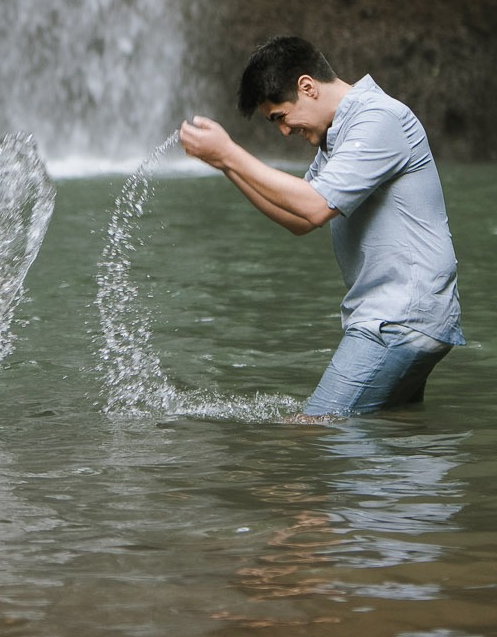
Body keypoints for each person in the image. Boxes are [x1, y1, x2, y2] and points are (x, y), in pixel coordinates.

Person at [178, 36, 463, 419]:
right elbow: (298, 220)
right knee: (393, 437)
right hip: (410, 317)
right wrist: (226, 167)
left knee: (310, 431)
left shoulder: (379, 119)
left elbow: (312, 207)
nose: (283, 131)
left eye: (280, 117)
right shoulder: (338, 137)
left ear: (307, 87)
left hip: (397, 319)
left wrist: (231, 152)